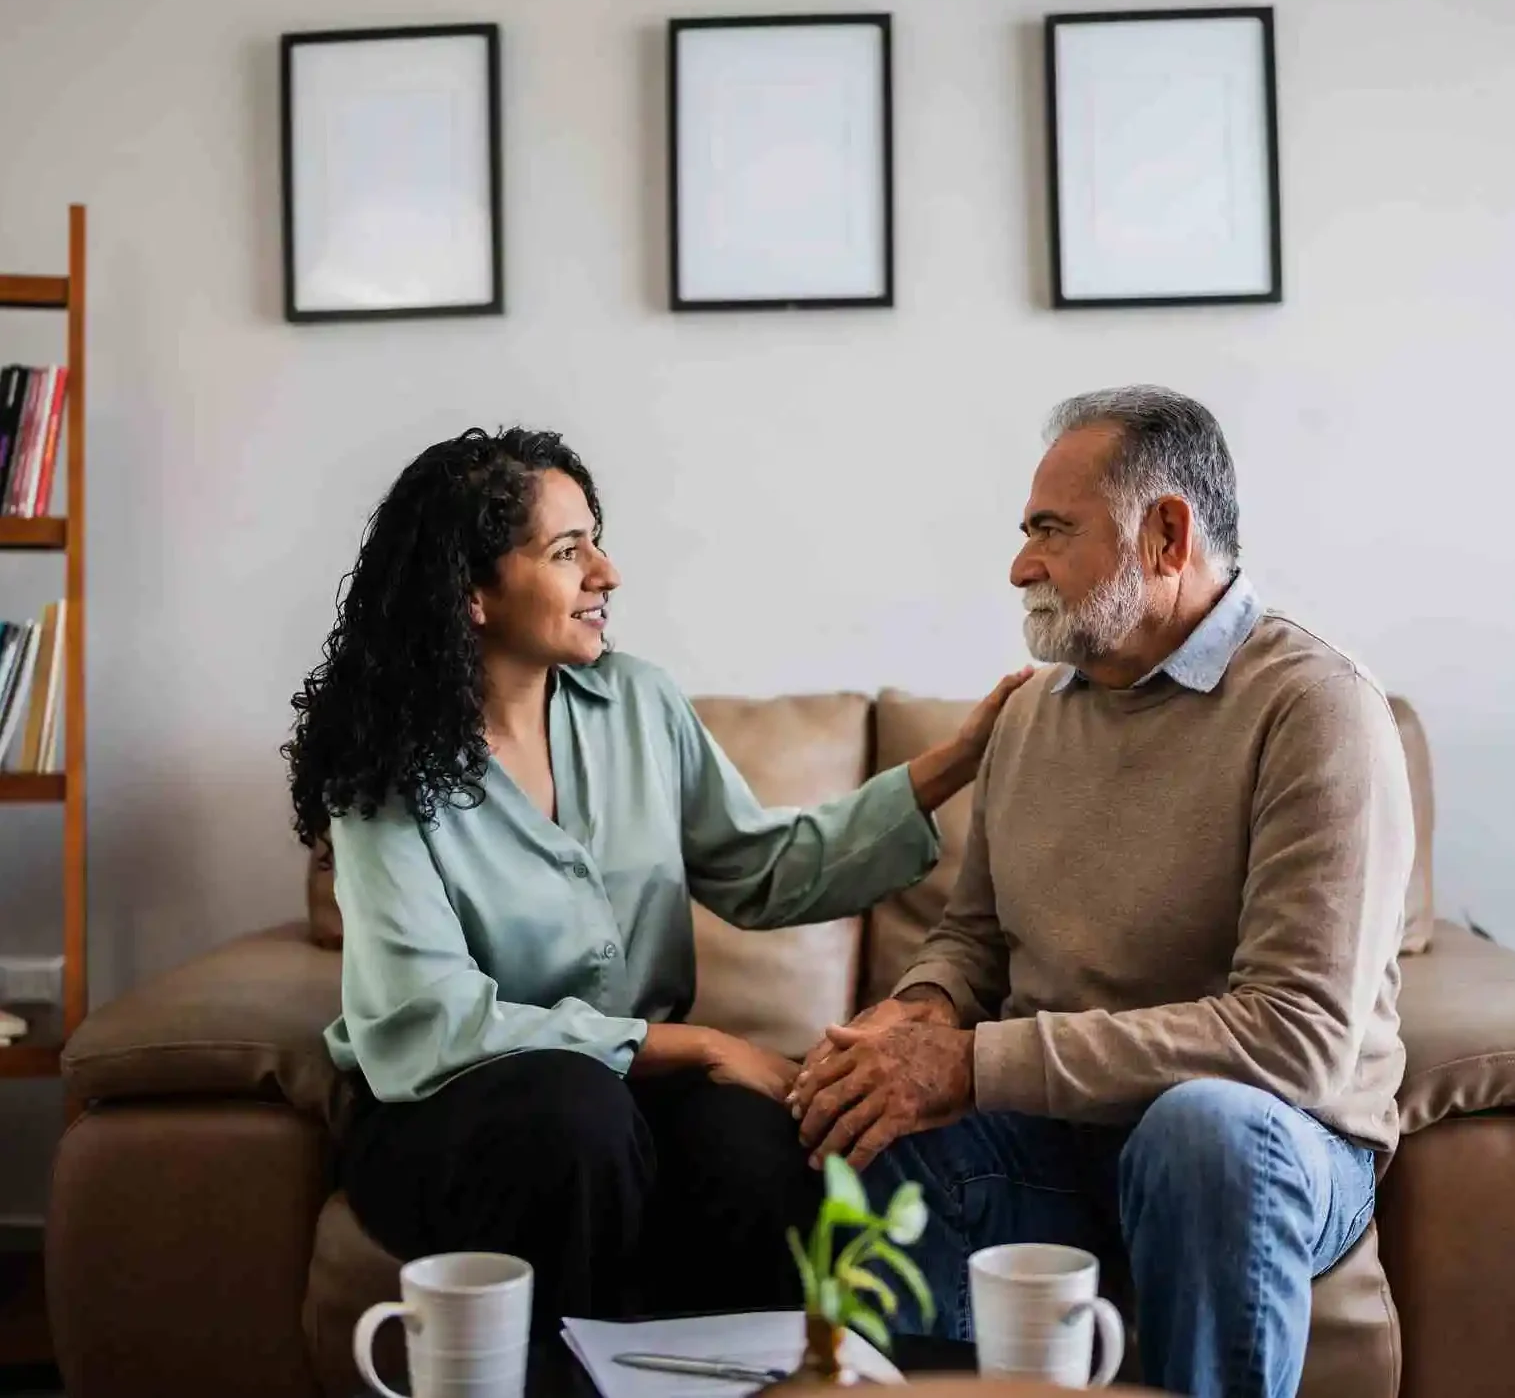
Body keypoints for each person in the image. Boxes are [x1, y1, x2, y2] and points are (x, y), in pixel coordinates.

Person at [283, 426, 1031, 1334]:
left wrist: (952, 761)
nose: (608, 572)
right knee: (576, 1117)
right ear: (473, 593)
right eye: (568, 551)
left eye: (596, 539)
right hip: (452, 1110)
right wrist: (703, 1046)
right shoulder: (385, 773)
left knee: (757, 1149)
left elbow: (763, 868)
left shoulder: (638, 703)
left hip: (624, 1094)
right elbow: (434, 1021)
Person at [788, 386, 1414, 1398]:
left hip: (1270, 1141)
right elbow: (973, 936)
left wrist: (974, 1062)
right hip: (1062, 1134)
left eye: (1051, 531)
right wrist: (916, 1023)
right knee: (867, 1126)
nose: (1019, 566)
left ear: (1167, 535)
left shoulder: (1315, 710)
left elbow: (1293, 1037)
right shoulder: (1034, 715)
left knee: (1200, 1132)